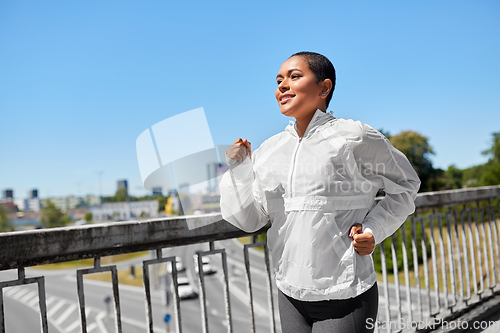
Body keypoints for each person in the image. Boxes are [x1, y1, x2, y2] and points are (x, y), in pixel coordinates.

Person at [219, 51, 420, 333]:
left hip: (345, 292)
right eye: (278, 80)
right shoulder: (269, 150)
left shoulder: (355, 136)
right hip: (289, 291)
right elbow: (252, 220)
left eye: (294, 76)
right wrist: (239, 170)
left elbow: (406, 184)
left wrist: (374, 229)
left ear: (324, 88)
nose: (282, 86)